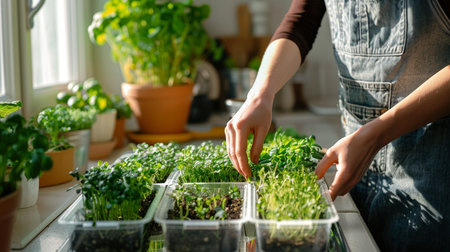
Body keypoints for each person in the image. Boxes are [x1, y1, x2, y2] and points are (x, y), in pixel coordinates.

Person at [224, 0, 450, 251]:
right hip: (353, 171)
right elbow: (300, 21)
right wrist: (260, 93)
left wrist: (377, 134)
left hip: (432, 173)